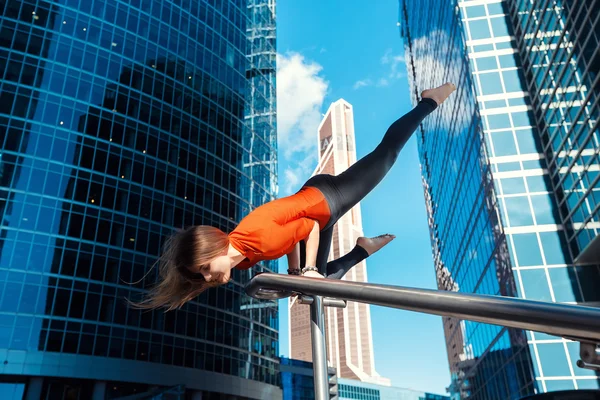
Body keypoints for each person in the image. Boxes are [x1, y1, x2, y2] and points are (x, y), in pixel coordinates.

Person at [134, 83, 456, 310]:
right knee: (318, 282)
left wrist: (304, 271)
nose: (208, 277)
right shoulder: (243, 254)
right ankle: (361, 251)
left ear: (214, 245)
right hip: (316, 207)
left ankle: (427, 102)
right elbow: (291, 240)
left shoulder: (253, 242)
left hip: (325, 200)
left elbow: (307, 230)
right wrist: (297, 273)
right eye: (201, 275)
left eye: (204, 267)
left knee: (386, 155)